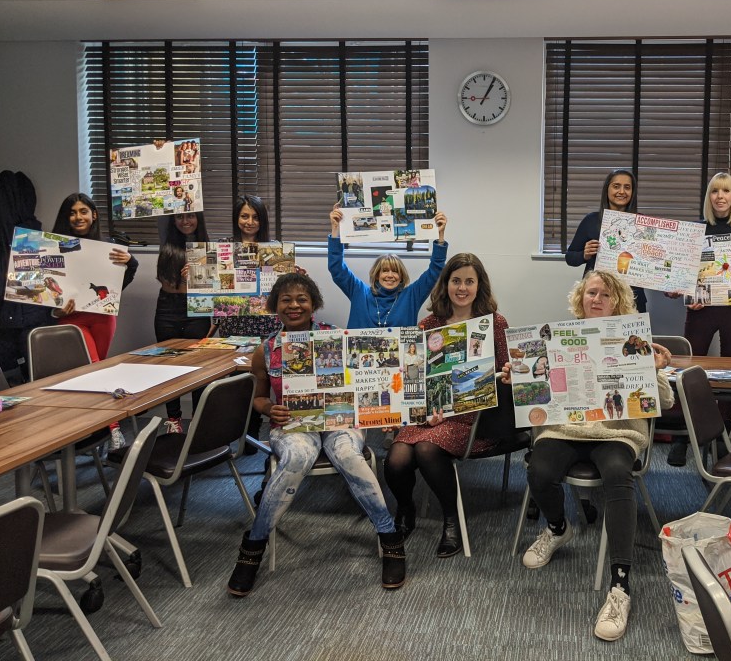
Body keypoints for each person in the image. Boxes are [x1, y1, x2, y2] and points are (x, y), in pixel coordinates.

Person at [501, 270, 673, 642]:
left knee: (616, 475)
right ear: (581, 297)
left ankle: (620, 585)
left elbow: (667, 401)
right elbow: (536, 390)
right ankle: (558, 528)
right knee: (539, 471)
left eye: (605, 295)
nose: (596, 299)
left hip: (616, 433)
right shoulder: (556, 337)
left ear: (618, 302)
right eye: (591, 292)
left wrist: (656, 373)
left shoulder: (633, 338)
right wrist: (517, 377)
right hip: (565, 429)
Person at [227, 273, 405, 596]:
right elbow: (259, 398)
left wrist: (385, 410)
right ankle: (253, 545)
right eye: (286, 300)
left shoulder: (336, 338)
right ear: (275, 306)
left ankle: (389, 536)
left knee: (349, 455)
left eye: (301, 299)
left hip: (338, 422)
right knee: (297, 456)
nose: (294, 306)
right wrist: (270, 410)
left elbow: (368, 379)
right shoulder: (266, 349)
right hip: (294, 425)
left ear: (314, 305)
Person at [384, 253, 510, 558]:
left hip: (475, 417)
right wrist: (424, 411)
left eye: (469, 281)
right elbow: (414, 376)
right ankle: (406, 508)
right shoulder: (429, 324)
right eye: (456, 280)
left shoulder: (494, 322)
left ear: (480, 286)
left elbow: (506, 368)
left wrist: (507, 375)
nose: (462, 287)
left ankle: (450, 519)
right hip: (431, 415)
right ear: (446, 284)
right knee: (396, 459)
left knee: (427, 450)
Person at [664, 173, 731, 466]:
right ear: (709, 197)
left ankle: (722, 437)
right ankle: (681, 437)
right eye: (715, 191)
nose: (720, 196)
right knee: (689, 369)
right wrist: (675, 288)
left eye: (726, 191)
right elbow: (679, 275)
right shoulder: (694, 231)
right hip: (700, 310)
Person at [50, 192, 138, 449]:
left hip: (103, 317)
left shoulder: (107, 247)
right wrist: (55, 311)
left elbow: (118, 285)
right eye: (72, 212)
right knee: (95, 368)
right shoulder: (53, 246)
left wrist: (130, 262)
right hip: (71, 319)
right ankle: (112, 429)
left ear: (94, 215)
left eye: (83, 211)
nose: (78, 217)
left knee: (95, 373)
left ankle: (93, 427)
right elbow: (44, 293)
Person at [217, 195, 284, 449]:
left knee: (260, 378)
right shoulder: (223, 247)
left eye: (255, 216)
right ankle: (233, 432)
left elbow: (280, 288)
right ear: (237, 218)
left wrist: (293, 274)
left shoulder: (274, 248)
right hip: (234, 323)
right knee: (236, 380)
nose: (250, 221)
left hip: (266, 324)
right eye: (245, 216)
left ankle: (253, 434)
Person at [328, 205, 448, 328]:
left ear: (401, 277)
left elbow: (435, 270)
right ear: (376, 275)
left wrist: (440, 236)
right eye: (385, 271)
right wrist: (336, 229)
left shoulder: (411, 296)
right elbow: (336, 269)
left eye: (395, 271)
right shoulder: (359, 292)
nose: (390, 275)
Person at [154, 212, 212, 433]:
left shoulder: (208, 247)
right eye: (179, 217)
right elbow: (167, 283)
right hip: (168, 310)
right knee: (169, 366)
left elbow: (214, 288)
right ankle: (174, 420)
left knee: (198, 367)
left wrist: (197, 277)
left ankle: (198, 421)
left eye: (190, 217)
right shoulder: (167, 246)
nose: (185, 221)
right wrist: (186, 280)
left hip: (197, 311)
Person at [565, 169, 647, 313]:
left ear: (632, 192)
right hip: (596, 298)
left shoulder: (642, 224)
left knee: (632, 337)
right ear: (607, 189)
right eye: (616, 186)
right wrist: (584, 254)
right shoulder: (591, 221)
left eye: (627, 187)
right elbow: (570, 257)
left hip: (632, 297)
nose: (622, 191)